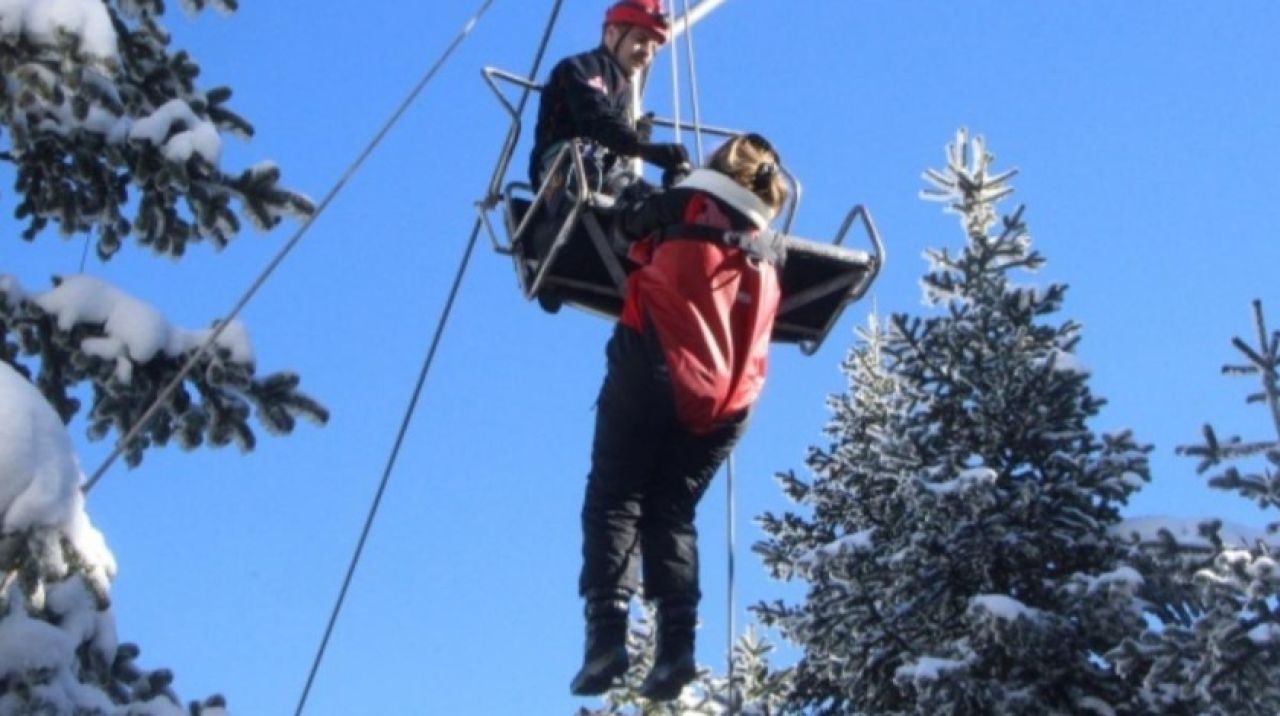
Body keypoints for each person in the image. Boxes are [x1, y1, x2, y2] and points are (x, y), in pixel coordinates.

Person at [570, 134, 789, 700]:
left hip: (660, 362)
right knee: (671, 511)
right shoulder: (771, 243)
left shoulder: (685, 203)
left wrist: (638, 191)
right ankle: (676, 651)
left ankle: (607, 638)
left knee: (616, 496)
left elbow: (625, 226)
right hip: (732, 398)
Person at [528, 0, 690, 199]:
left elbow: (615, 137)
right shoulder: (582, 68)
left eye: (653, 47)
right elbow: (596, 119)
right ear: (611, 34)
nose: (647, 53)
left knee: (668, 204)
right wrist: (643, 147)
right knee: (647, 206)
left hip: (607, 173)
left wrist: (640, 137)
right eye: (641, 39)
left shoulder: (625, 94)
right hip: (567, 172)